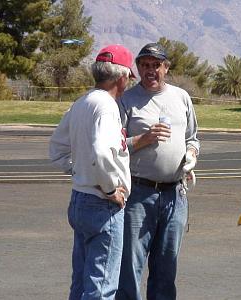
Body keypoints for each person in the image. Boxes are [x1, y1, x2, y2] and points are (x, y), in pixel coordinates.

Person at [49, 44, 135, 300]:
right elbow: (101, 151)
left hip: (80, 198)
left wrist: (80, 172)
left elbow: (57, 148)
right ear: (122, 77)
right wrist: (109, 188)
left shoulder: (81, 102)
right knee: (101, 287)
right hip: (102, 205)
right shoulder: (107, 107)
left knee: (81, 281)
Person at [116, 42, 200, 300]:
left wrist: (191, 155)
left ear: (166, 67)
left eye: (156, 65)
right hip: (139, 193)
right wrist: (143, 139)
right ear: (138, 68)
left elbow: (192, 137)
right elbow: (114, 146)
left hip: (175, 194)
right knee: (130, 265)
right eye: (144, 65)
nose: (150, 70)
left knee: (166, 265)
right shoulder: (127, 100)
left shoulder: (181, 97)